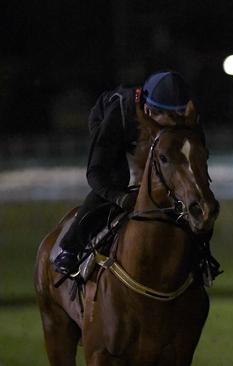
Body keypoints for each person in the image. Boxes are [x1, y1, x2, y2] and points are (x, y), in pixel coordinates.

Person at [53, 71, 220, 280]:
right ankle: (70, 248)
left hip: (149, 135)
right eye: (170, 119)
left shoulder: (185, 117)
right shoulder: (119, 113)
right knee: (117, 179)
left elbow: (196, 158)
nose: (177, 124)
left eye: (181, 117)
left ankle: (203, 258)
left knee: (188, 194)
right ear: (150, 111)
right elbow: (95, 173)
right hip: (114, 127)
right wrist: (120, 197)